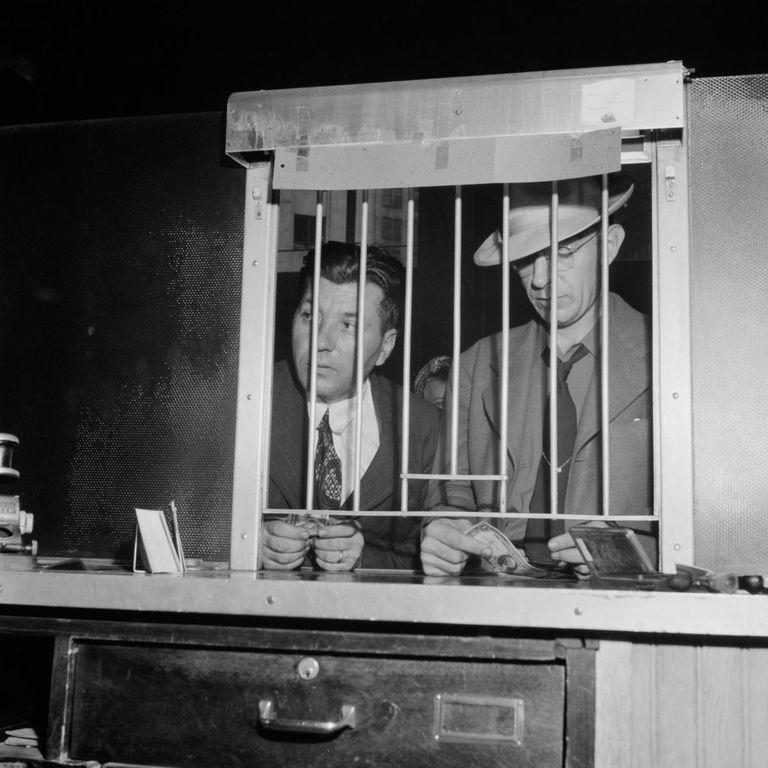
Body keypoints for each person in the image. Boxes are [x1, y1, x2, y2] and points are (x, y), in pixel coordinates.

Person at [421, 174, 652, 576]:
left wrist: (626, 552)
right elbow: (449, 492)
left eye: (563, 252)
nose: (541, 279)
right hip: (504, 595)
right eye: (527, 259)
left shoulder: (667, 356)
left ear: (609, 246)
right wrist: (444, 532)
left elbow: (704, 514)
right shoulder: (476, 365)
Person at [264, 241, 440, 571]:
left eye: (348, 325)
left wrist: (366, 558)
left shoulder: (423, 426)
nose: (320, 341)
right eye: (308, 316)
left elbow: (441, 558)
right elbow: (186, 522)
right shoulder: (248, 401)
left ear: (386, 346)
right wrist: (247, 543)